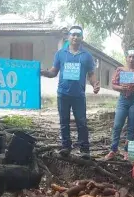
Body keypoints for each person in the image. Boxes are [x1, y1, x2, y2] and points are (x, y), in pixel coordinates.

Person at [41, 25, 100, 159]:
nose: (75, 37)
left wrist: (95, 84)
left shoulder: (87, 56)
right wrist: (44, 72)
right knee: (64, 121)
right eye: (73, 34)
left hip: (79, 95)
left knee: (82, 122)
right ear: (69, 36)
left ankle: (84, 149)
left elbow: (91, 74)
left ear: (82, 38)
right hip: (63, 94)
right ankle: (66, 147)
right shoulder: (60, 54)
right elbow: (53, 72)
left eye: (78, 35)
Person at [104, 49, 134, 160]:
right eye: (130, 57)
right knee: (117, 125)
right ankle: (113, 150)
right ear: (126, 58)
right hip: (123, 99)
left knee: (131, 126)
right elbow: (114, 85)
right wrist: (120, 88)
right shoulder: (120, 70)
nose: (132, 59)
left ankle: (127, 151)